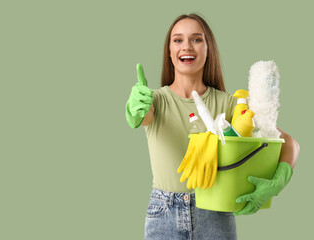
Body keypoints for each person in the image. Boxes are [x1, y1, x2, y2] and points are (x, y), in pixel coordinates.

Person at [125, 13, 300, 240]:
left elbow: (289, 143)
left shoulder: (231, 104)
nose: (186, 46)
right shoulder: (155, 101)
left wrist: (279, 180)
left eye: (197, 39)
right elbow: (143, 117)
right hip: (163, 215)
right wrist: (134, 110)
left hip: (216, 214)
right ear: (169, 52)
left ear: (209, 49)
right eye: (177, 40)